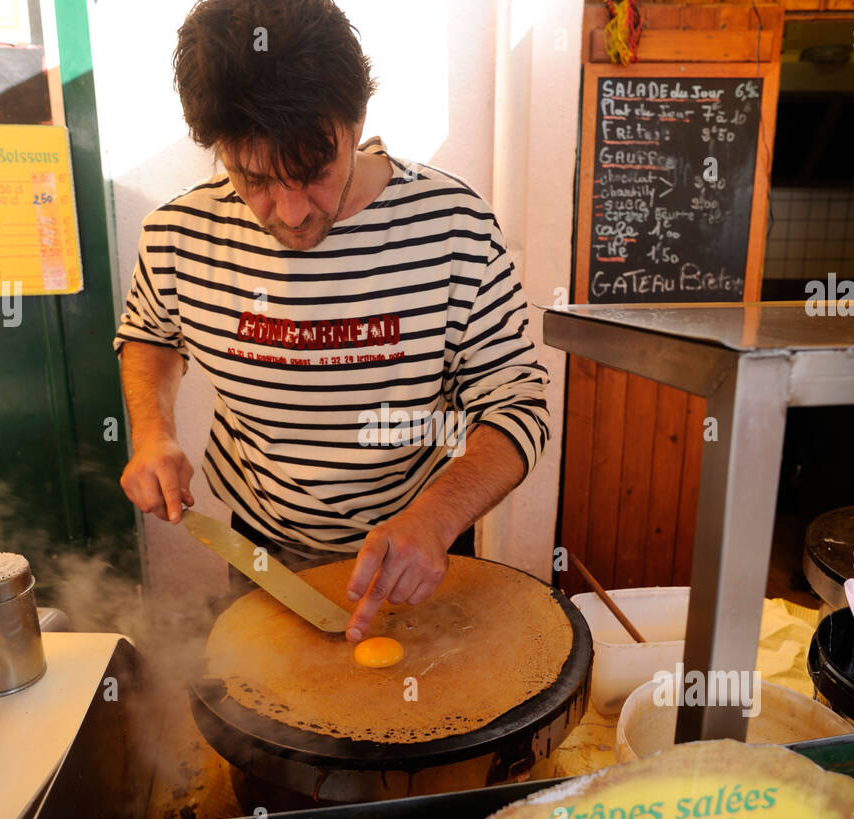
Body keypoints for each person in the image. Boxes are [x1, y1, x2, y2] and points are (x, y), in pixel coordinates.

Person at [115, 0, 549, 642]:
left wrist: (434, 520)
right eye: (254, 179)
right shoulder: (179, 234)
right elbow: (151, 333)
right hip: (263, 553)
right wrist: (153, 432)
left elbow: (518, 404)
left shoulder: (455, 226)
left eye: (316, 174)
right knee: (279, 726)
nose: (291, 213)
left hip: (422, 547)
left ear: (358, 121)